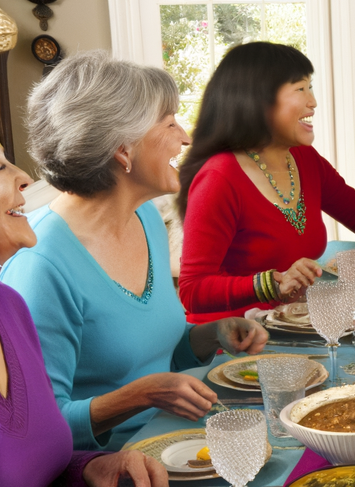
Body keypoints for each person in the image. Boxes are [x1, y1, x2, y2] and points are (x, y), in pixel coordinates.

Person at [0, 51, 268, 451]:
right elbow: (38, 430)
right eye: (169, 123)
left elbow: (157, 356)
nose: (185, 136)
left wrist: (213, 333)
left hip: (178, 444)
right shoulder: (40, 267)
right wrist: (141, 396)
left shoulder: (145, 218)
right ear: (123, 150)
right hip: (108, 477)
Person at [0, 146, 168, 487]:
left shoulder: (9, 309)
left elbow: (25, 471)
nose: (22, 177)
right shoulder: (37, 272)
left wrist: (91, 468)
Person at [178, 42, 355, 321]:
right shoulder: (219, 178)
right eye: (300, 89)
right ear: (259, 100)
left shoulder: (305, 159)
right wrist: (270, 284)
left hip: (293, 326)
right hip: (236, 342)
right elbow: (193, 290)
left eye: (310, 87)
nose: (312, 102)